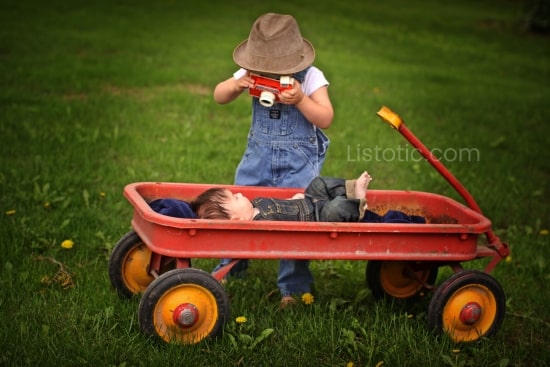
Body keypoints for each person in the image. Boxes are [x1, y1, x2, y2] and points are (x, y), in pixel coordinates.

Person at [212, 12, 334, 307]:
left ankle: (293, 287)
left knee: (297, 219)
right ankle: (231, 266)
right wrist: (237, 84)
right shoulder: (251, 73)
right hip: (257, 160)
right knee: (238, 212)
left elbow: (326, 117)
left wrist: (302, 100)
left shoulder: (311, 77)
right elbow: (218, 95)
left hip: (298, 165)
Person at [191, 171, 372, 222]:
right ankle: (357, 204)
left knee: (318, 183)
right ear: (237, 219)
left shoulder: (256, 204)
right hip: (318, 220)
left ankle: (350, 189)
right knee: (336, 208)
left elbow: (280, 206)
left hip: (307, 202)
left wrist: (293, 200)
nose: (239, 193)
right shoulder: (261, 222)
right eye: (235, 198)